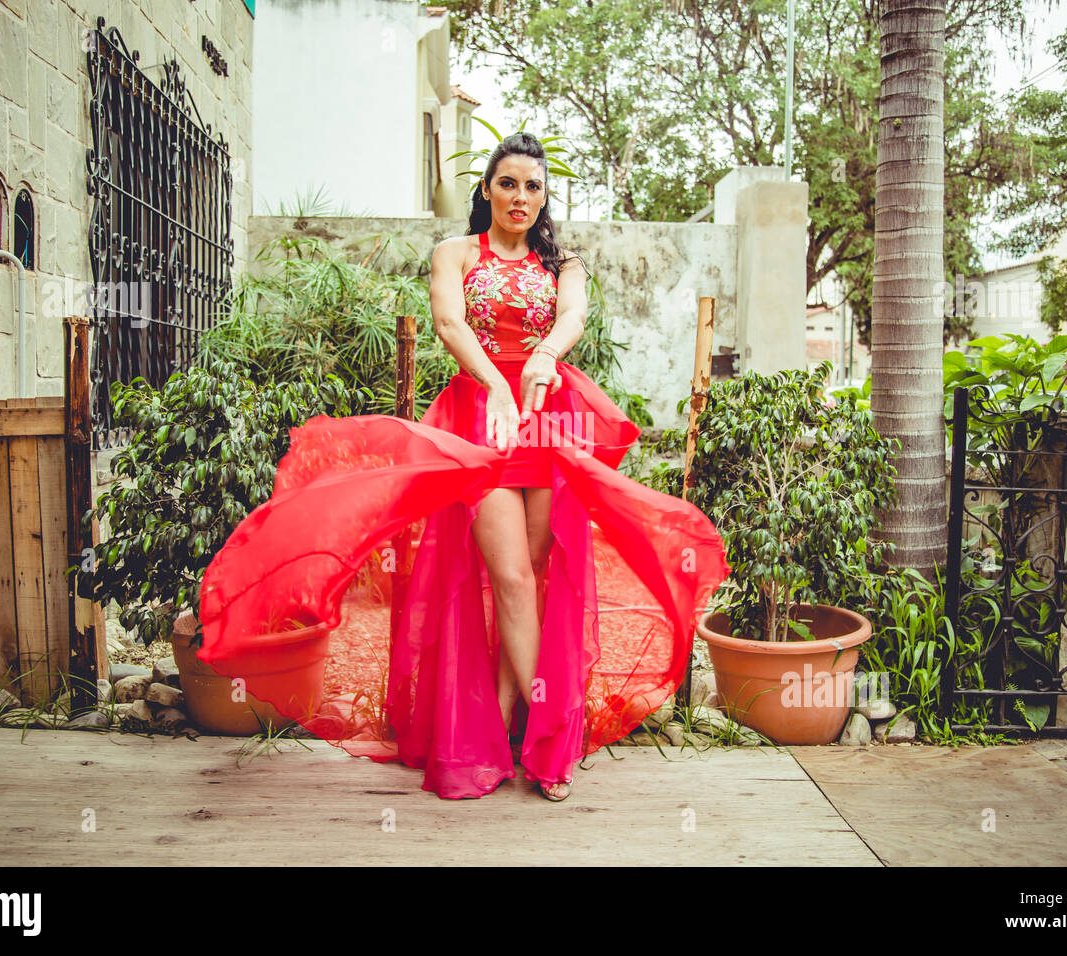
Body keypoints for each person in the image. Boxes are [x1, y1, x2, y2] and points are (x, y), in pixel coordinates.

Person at [197, 132, 731, 802]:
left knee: (536, 578)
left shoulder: (564, 262)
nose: (520, 197)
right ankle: (543, 735)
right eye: (508, 183)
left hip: (550, 418)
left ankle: (509, 729)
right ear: (486, 190)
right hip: (479, 419)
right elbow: (450, 325)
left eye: (533, 186)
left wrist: (541, 360)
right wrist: (499, 384)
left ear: (544, 197)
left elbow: (572, 318)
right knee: (508, 578)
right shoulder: (454, 254)